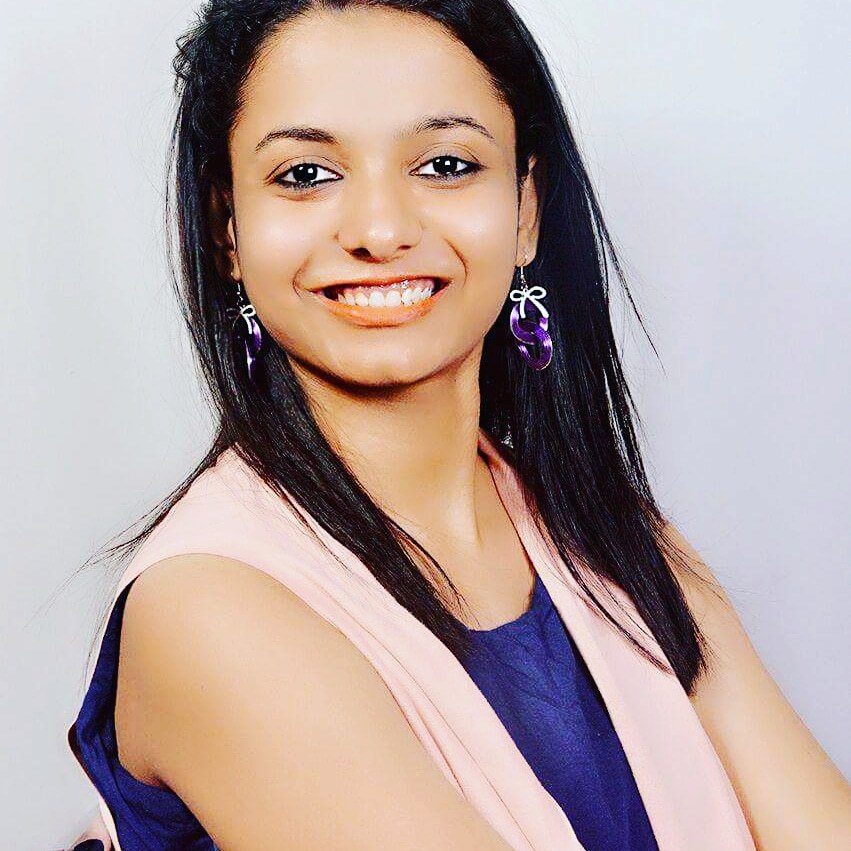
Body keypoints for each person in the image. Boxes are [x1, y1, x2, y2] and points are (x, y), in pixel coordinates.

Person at [65, 1, 851, 850]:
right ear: (229, 229)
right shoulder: (210, 610)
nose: (379, 230)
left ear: (524, 212)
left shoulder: (610, 535)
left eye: (444, 164)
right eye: (305, 173)